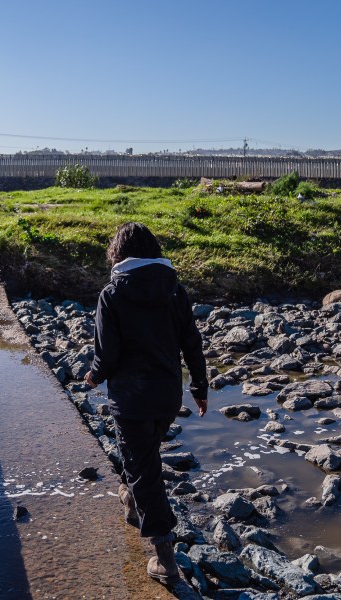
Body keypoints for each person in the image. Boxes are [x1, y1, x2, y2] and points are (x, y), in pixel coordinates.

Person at [85, 222, 208, 585]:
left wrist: (93, 375)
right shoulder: (174, 290)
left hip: (132, 398)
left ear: (117, 254)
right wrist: (200, 386)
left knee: (146, 471)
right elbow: (192, 342)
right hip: (167, 396)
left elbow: (107, 353)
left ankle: (164, 555)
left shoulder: (112, 293)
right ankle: (130, 499)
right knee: (143, 456)